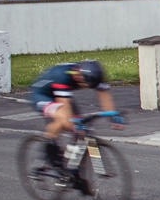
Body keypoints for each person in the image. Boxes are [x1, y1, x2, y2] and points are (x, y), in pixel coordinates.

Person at [29, 60, 119, 188]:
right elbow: (65, 112)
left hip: (63, 94)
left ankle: (74, 170)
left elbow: (103, 93)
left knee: (83, 131)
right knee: (63, 120)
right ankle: (49, 151)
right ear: (78, 77)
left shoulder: (92, 73)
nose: (85, 86)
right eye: (85, 84)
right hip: (42, 94)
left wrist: (113, 115)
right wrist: (73, 124)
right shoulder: (64, 76)